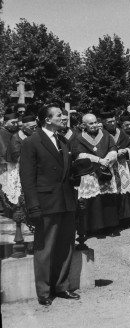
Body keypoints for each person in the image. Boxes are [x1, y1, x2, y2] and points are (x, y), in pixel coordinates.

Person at [19, 104, 78, 306]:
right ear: (47, 119)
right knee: (45, 249)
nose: (64, 118)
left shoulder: (64, 140)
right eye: (59, 115)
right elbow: (27, 179)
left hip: (66, 201)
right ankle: (44, 292)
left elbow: (67, 172)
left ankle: (62, 286)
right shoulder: (32, 142)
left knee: (66, 246)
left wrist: (77, 177)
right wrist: (33, 207)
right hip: (46, 203)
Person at [72, 113, 119, 236]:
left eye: (95, 122)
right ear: (84, 125)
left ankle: (111, 227)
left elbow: (113, 149)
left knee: (108, 199)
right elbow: (80, 155)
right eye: (90, 123)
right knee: (93, 201)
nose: (94, 125)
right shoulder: (79, 138)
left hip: (105, 169)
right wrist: (98, 160)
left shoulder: (106, 135)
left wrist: (107, 160)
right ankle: (93, 228)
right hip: (90, 173)